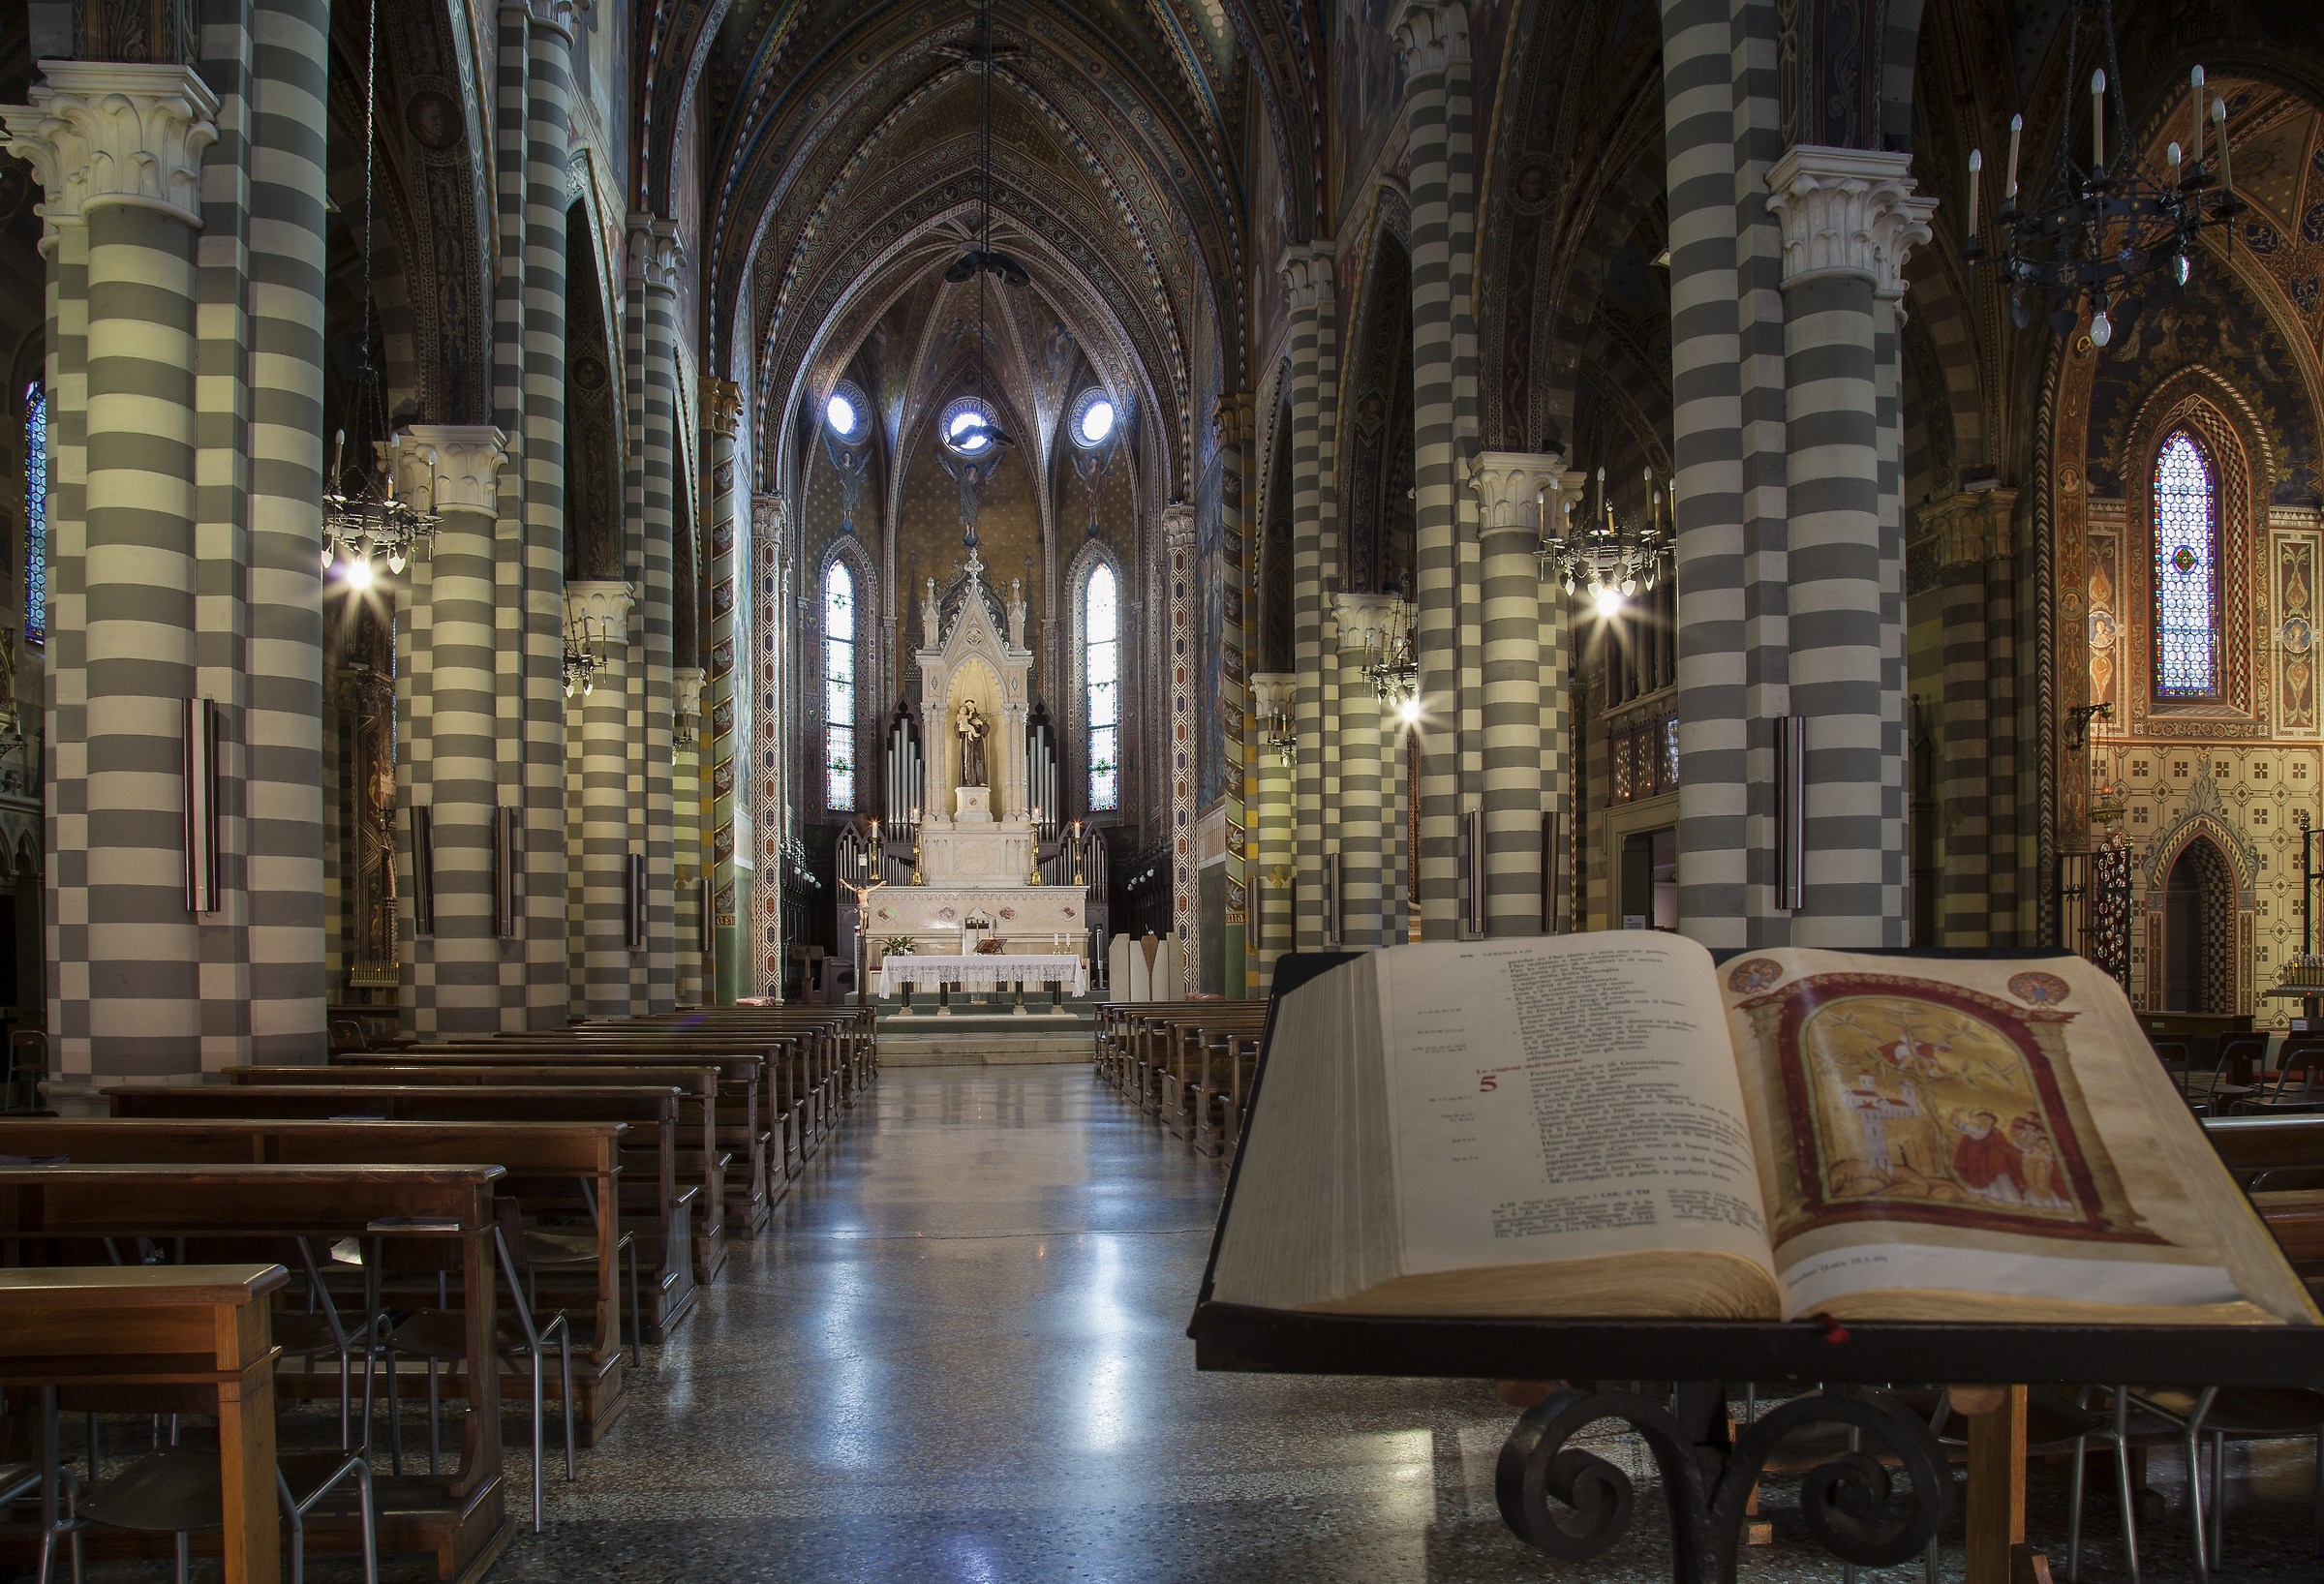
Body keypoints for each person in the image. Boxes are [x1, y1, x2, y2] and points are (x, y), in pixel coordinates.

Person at [1950, 1109, 2027, 1204]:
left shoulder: (1997, 1134)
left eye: (1986, 1119)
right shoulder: (1972, 1129)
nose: (1983, 1121)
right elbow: (1955, 1123)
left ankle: (2001, 1198)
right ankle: (1978, 1195)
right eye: (1981, 1118)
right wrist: (1956, 1112)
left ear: (1992, 1121)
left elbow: (2004, 1148)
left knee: (1999, 1174)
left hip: (1991, 1163)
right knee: (1975, 1179)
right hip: (1974, 1160)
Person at [957, 699, 989, 788]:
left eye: (970, 705)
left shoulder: (979, 717)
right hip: (967, 742)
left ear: (974, 705)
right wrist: (961, 727)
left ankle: (981, 780)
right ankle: (968, 780)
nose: (968, 707)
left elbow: (986, 729)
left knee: (979, 760)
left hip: (977, 742)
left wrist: (981, 723)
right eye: (966, 706)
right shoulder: (963, 716)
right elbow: (957, 730)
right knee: (967, 760)